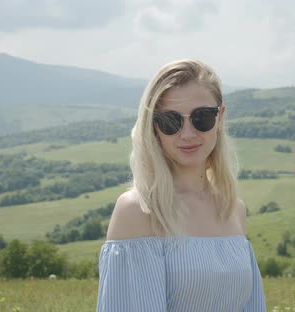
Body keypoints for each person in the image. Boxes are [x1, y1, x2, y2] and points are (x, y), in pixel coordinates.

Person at [96, 59, 266, 312]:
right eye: (171, 121)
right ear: (154, 127)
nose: (187, 133)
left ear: (220, 118)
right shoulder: (139, 211)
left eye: (202, 117)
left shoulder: (233, 209)